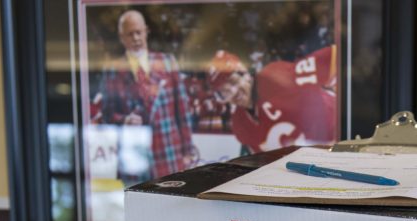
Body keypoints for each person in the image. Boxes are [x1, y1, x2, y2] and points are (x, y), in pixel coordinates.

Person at [96, 9, 194, 179]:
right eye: (130, 34)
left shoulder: (167, 62)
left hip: (168, 152)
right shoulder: (112, 70)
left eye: (138, 32)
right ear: (121, 37)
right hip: (134, 156)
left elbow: (182, 110)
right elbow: (107, 115)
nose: (135, 38)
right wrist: (125, 120)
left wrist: (188, 151)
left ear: (146, 31)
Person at [206, 46, 337, 153]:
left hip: (339, 138)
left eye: (233, 82)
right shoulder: (240, 124)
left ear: (244, 72)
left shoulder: (273, 76)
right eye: (224, 92)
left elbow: (333, 58)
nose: (233, 93)